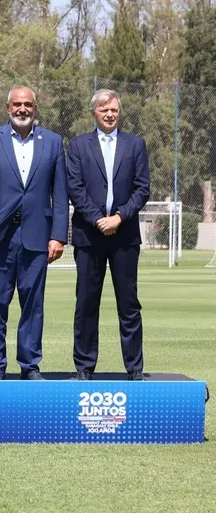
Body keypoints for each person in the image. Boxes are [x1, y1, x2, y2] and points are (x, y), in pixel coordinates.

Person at [0, 86, 68, 380]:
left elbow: (59, 195)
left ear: (35, 108)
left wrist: (58, 236)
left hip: (38, 238)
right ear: (7, 107)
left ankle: (30, 365)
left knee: (33, 306)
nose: (22, 109)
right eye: (17, 104)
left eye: (28, 104)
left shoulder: (52, 142)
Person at [67, 89, 150, 381]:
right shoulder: (77, 145)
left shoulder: (135, 144)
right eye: (104, 110)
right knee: (87, 303)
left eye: (114, 109)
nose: (110, 114)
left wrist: (118, 217)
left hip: (125, 236)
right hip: (89, 236)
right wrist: (98, 219)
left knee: (128, 304)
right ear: (94, 113)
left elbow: (142, 189)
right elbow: (74, 188)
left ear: (119, 111)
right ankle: (84, 367)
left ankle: (134, 368)